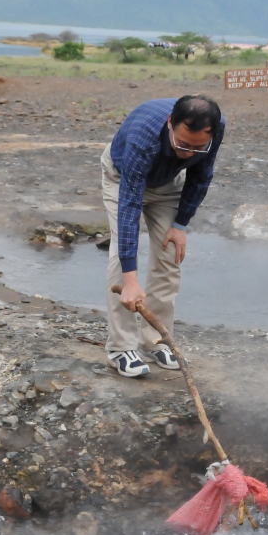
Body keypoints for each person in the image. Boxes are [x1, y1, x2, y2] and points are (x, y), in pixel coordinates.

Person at [102, 95, 225, 377]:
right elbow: (129, 206)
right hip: (123, 178)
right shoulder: (143, 136)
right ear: (171, 122)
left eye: (197, 147)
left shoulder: (216, 128)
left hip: (168, 183)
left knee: (170, 254)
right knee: (122, 259)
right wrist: (131, 282)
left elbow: (202, 175)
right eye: (182, 144)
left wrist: (181, 224)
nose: (188, 153)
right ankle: (121, 348)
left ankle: (156, 339)